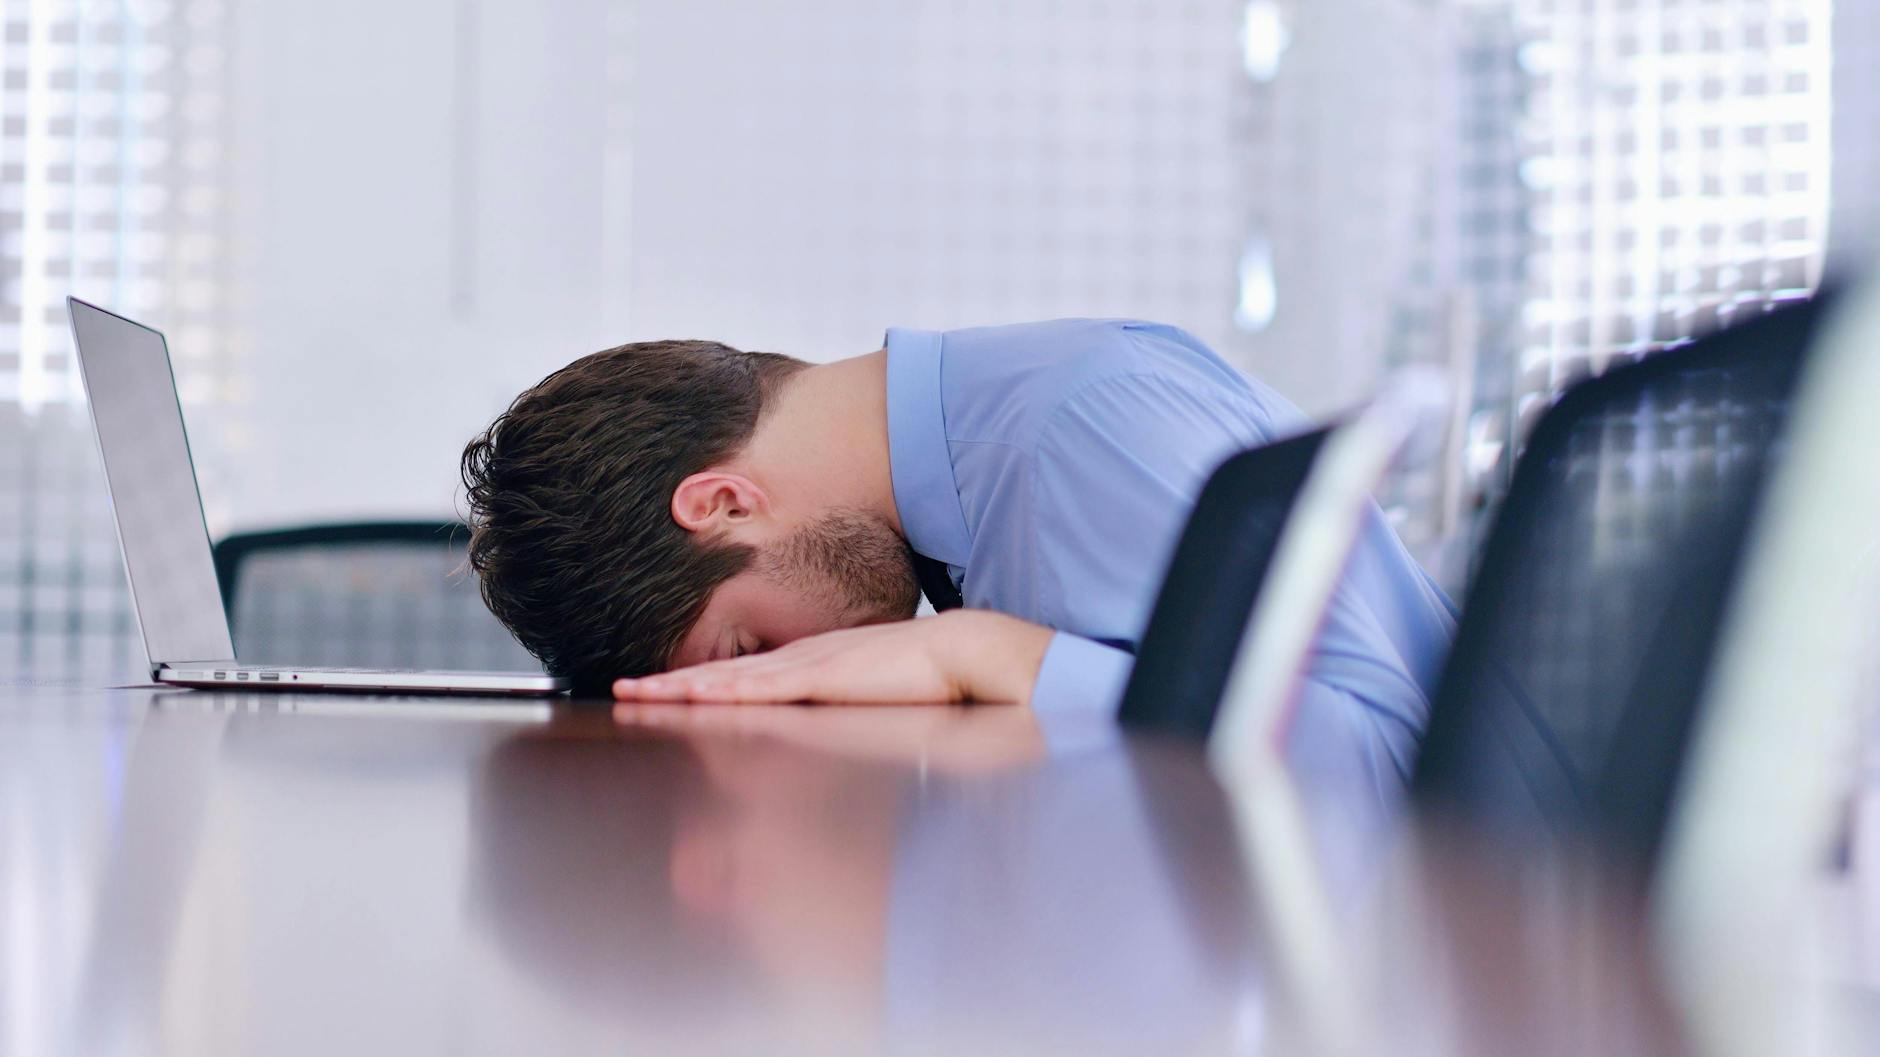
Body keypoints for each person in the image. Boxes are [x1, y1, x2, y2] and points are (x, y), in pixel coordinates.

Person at [461, 319, 1453, 780]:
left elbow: (1392, 760)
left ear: (721, 501)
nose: (803, 675)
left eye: (747, 652)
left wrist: (984, 654)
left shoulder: (1072, 434)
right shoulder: (982, 492)